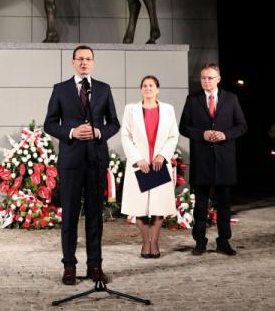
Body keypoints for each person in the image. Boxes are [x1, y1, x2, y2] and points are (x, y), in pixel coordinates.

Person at [44, 45, 120, 285]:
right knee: (70, 216)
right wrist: (71, 132)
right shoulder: (60, 89)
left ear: (93, 63)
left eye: (88, 59)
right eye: (80, 59)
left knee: (95, 217)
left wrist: (99, 131)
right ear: (73, 62)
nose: (84, 62)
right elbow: (50, 123)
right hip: (71, 161)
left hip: (96, 160)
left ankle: (95, 266)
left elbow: (114, 123)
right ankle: (69, 267)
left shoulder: (104, 89)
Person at [180, 63, 247, 256]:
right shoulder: (192, 100)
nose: (206, 81)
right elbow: (183, 127)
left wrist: (226, 135)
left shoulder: (231, 98)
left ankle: (223, 241)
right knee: (200, 206)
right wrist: (202, 134)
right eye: (203, 78)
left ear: (218, 79)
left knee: (224, 205)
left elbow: (242, 126)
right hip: (202, 160)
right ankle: (200, 242)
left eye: (210, 78)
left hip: (224, 161)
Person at [120, 75, 179, 259]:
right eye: (144, 86)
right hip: (140, 165)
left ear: (157, 89)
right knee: (139, 208)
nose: (148, 88)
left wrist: (162, 155)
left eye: (151, 85)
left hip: (159, 165)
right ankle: (146, 242)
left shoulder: (168, 110)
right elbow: (125, 136)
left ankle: (155, 242)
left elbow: (173, 136)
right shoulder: (131, 109)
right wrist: (138, 159)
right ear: (141, 89)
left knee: (158, 208)